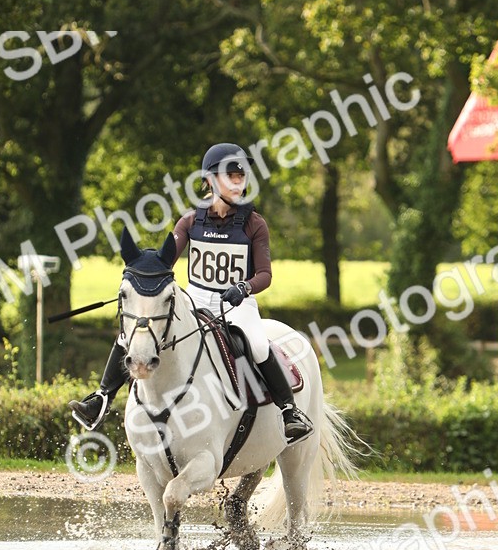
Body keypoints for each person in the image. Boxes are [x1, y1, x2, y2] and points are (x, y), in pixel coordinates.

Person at [69, 142, 314, 443]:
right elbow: (165, 261)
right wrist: (143, 279)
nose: (240, 182)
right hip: (194, 298)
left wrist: (244, 287)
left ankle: (290, 410)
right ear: (211, 180)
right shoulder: (190, 221)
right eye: (231, 176)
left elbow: (265, 274)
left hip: (237, 303)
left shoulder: (254, 224)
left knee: (259, 344)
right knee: (134, 333)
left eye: (242, 176)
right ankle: (101, 398)